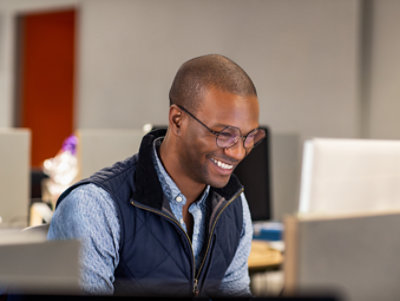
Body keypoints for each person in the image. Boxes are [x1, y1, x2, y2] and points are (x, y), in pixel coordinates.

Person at [47, 54, 266, 297]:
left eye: (249, 137)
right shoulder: (94, 207)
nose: (238, 152)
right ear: (177, 121)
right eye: (224, 134)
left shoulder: (233, 205)